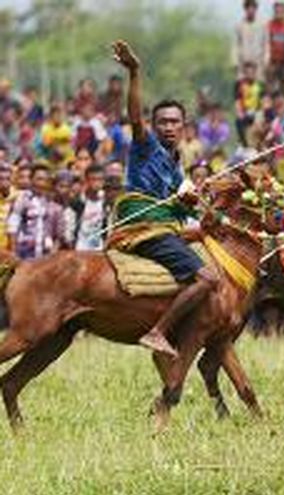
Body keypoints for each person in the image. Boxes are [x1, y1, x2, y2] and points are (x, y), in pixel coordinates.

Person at [111, 39, 219, 357]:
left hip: (168, 226)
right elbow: (134, 116)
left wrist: (188, 203)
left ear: (184, 127)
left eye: (174, 122)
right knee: (208, 279)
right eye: (163, 122)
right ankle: (158, 332)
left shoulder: (177, 164)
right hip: (145, 227)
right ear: (153, 126)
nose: (169, 127)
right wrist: (134, 71)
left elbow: (183, 203)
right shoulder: (146, 145)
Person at [6, 164, 66, 260]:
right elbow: (12, 227)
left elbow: (59, 235)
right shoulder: (22, 200)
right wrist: (13, 253)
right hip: (24, 255)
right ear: (31, 180)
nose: (42, 183)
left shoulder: (53, 203)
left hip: (45, 255)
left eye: (46, 180)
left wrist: (52, 254)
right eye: (39, 179)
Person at [71, 164, 107, 251]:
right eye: (93, 179)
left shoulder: (106, 202)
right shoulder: (78, 202)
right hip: (80, 248)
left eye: (100, 179)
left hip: (99, 249)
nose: (97, 183)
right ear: (86, 181)